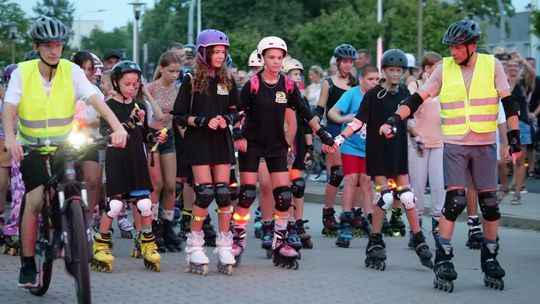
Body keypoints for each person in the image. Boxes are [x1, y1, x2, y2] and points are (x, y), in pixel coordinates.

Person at [379, 20, 521, 291]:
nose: (453, 52)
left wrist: (513, 138)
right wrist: (394, 118)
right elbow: (418, 98)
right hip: (455, 144)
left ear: (472, 46)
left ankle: (490, 255)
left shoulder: (492, 65)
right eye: (452, 47)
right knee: (454, 201)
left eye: (458, 47)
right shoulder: (444, 68)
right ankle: (443, 256)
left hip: (484, 143)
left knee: (489, 203)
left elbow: (508, 101)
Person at [2, 16, 127, 287]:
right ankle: (27, 263)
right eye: (47, 45)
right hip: (31, 147)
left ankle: (74, 235)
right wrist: (11, 139)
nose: (53, 50)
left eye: (58, 44)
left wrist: (118, 127)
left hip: (64, 145)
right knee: (34, 201)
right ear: (37, 47)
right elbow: (10, 109)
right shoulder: (23, 73)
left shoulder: (72, 71)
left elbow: (96, 100)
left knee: (74, 183)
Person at [231, 36, 336, 269]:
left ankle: (280, 242)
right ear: (262, 58)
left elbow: (305, 113)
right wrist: (237, 134)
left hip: (276, 145)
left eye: (280, 58)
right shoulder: (253, 84)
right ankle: (236, 239)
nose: (276, 62)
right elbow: (237, 112)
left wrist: (323, 135)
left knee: (284, 196)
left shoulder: (288, 85)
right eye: (271, 58)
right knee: (247, 194)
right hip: (252, 144)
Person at [332, 49, 432, 271]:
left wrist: (416, 138)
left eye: (399, 70)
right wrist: (339, 139)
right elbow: (358, 122)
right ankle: (375, 240)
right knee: (386, 198)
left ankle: (418, 238)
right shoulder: (373, 95)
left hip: (398, 153)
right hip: (377, 153)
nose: (395, 74)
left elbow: (408, 120)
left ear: (404, 72)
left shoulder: (405, 92)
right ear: (383, 71)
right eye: (391, 70)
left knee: (407, 197)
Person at [173, 29, 238, 275]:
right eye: (215, 52)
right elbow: (179, 115)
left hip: (221, 139)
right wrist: (201, 121)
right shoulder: (190, 79)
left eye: (223, 52)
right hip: (199, 141)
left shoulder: (227, 79)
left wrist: (227, 119)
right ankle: (195, 245)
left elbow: (236, 109)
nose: (220, 56)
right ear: (203, 52)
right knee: (205, 193)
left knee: (223, 193)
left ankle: (224, 245)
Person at [92, 60, 164, 273]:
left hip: (137, 160)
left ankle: (148, 244)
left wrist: (154, 136)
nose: (132, 88)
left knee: (144, 204)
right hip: (117, 161)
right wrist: (129, 124)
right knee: (115, 206)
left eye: (136, 84)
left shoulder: (140, 106)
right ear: (116, 83)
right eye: (127, 84)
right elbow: (106, 134)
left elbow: (142, 135)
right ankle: (100, 244)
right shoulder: (108, 106)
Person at [327, 64, 379, 248]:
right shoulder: (352, 94)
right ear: (362, 79)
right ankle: (346, 222)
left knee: (366, 181)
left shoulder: (379, 95)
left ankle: (371, 221)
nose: (375, 82)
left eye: (377, 79)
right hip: (349, 145)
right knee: (351, 180)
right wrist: (343, 118)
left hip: (369, 147)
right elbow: (333, 112)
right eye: (371, 79)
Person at [313, 44, 359, 237]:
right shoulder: (327, 83)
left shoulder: (356, 84)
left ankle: (353, 215)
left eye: (350, 62)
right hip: (332, 130)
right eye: (344, 61)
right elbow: (319, 108)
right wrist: (317, 129)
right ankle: (329, 213)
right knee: (337, 174)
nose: (347, 65)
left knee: (355, 176)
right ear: (338, 62)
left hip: (353, 131)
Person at [405, 51, 445, 249]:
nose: (442, 70)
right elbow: (409, 110)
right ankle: (416, 229)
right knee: (418, 187)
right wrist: (414, 135)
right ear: (427, 68)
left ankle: (438, 226)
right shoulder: (416, 86)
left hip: (439, 142)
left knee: (438, 186)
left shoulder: (444, 88)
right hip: (418, 143)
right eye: (437, 66)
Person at [146, 51, 183, 252]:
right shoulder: (150, 88)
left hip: (168, 137)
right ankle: (152, 227)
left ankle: (168, 224)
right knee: (156, 184)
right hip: (152, 137)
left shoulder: (178, 90)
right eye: (171, 71)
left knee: (171, 185)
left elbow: (180, 118)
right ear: (161, 69)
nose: (175, 75)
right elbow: (148, 116)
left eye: (178, 71)